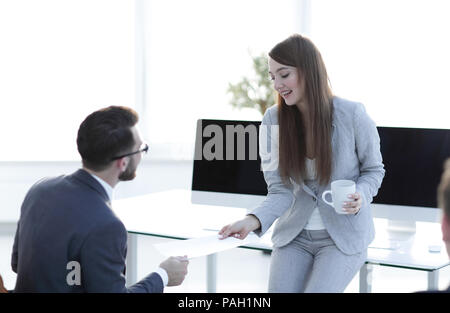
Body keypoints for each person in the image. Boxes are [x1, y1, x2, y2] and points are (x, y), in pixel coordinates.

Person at [219, 34, 385, 293]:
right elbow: (279, 190)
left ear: (309, 70)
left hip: (342, 238)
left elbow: (374, 169)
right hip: (294, 237)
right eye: (272, 77)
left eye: (284, 75)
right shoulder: (272, 120)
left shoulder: (353, 114)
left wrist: (361, 194)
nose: (277, 84)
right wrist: (251, 220)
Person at [11, 106, 189, 292]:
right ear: (123, 162)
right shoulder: (107, 225)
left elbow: (18, 265)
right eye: (141, 149)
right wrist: (163, 275)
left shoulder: (40, 189)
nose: (142, 154)